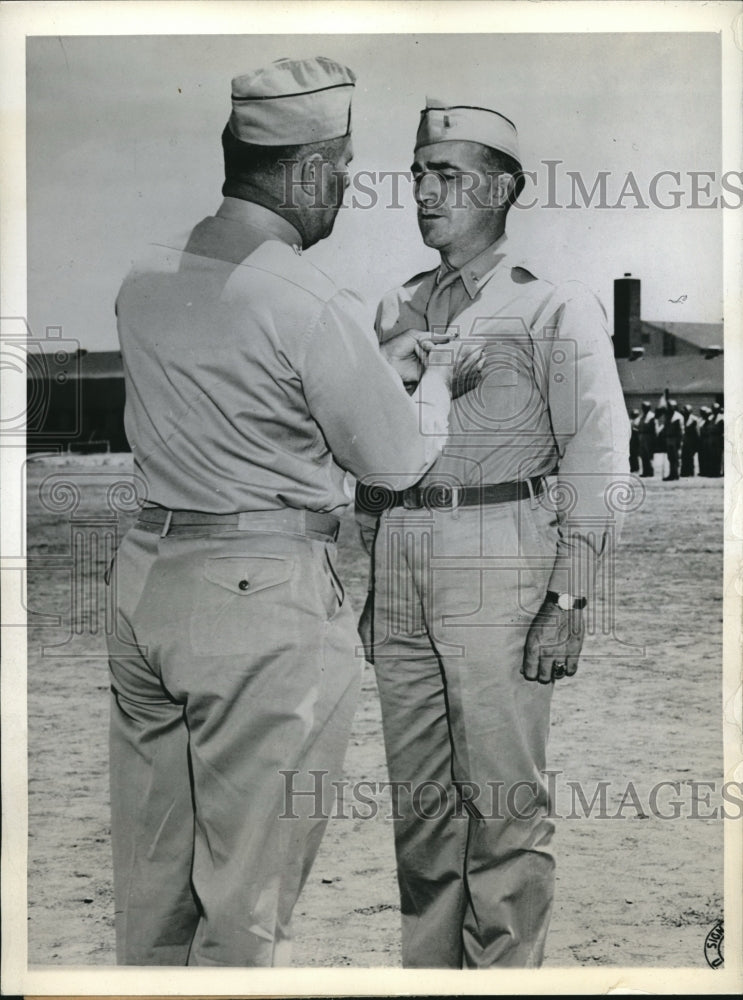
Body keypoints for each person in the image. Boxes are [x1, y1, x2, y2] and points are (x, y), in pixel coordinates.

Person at [106, 58, 480, 967]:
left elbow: (244, 394)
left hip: (148, 580)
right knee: (248, 902)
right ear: (309, 170)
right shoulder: (309, 297)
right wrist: (431, 380)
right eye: (345, 169)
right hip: (260, 598)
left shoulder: (147, 272)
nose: (349, 187)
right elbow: (389, 462)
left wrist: (371, 360)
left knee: (153, 890)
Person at [356, 97, 629, 968]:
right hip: (399, 551)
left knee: (504, 808)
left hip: (499, 550)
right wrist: (368, 578)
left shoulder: (553, 308)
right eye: (416, 178)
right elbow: (367, 455)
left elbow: (596, 456)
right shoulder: (393, 309)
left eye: (444, 176)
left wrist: (569, 595)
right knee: (421, 812)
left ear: (503, 187)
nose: (423, 194)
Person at [662, 398, 684, 481]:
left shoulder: (678, 417)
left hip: (676, 439)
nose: (668, 408)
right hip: (668, 439)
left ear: (674, 407)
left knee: (676, 457)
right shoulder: (667, 416)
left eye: (670, 406)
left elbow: (681, 431)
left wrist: (679, 441)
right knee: (670, 457)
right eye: (668, 406)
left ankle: (676, 474)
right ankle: (672, 474)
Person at [638, 400, 656, 477]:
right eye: (643, 407)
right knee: (643, 455)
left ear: (649, 408)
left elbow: (655, 429)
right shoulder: (642, 416)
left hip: (649, 437)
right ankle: (645, 471)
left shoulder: (652, 416)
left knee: (649, 456)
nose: (644, 408)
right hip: (642, 437)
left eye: (645, 407)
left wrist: (654, 440)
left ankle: (650, 472)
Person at [680, 404, 699, 477]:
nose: (685, 411)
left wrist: (696, 443)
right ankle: (684, 472)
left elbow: (697, 432)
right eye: (684, 410)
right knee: (683, 457)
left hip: (691, 441)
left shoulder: (694, 419)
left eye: (686, 410)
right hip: (684, 440)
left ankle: (691, 472)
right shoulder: (682, 418)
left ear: (690, 411)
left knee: (690, 457)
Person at [698, 406, 714, 476]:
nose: (702, 413)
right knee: (701, 456)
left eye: (704, 412)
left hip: (708, 439)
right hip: (701, 440)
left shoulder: (710, 420)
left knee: (708, 455)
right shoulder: (700, 420)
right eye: (701, 412)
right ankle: (702, 471)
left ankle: (708, 471)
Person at [629, 408, 641, 473]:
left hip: (636, 437)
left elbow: (639, 429)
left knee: (635, 454)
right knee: (631, 454)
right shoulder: (630, 421)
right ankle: (632, 467)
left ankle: (636, 467)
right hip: (631, 438)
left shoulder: (638, 420)